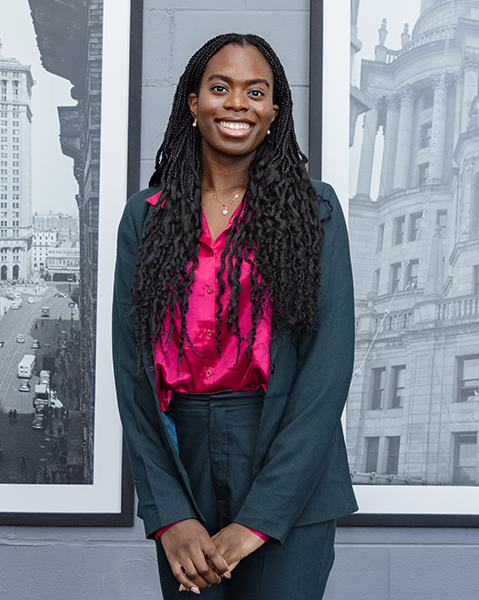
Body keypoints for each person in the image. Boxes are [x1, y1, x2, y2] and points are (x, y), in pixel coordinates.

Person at [113, 33, 357, 599]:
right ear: (193, 102)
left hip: (287, 458)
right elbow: (132, 373)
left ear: (275, 110)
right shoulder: (145, 218)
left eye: (256, 91)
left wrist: (260, 517)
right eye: (219, 88)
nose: (237, 103)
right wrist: (169, 515)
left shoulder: (316, 211)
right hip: (184, 455)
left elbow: (327, 371)